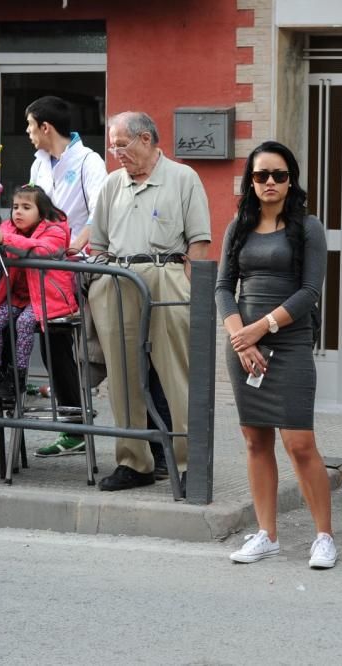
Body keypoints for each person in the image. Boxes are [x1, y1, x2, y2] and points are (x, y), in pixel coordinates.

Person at [216, 141, 335, 567]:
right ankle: (267, 534)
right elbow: (223, 287)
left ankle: (323, 535)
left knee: (299, 441)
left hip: (288, 340)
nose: (270, 182)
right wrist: (240, 339)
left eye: (279, 175)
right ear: (250, 181)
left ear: (291, 181)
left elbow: (310, 292)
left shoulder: (308, 227)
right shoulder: (239, 226)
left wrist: (261, 329)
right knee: (254, 439)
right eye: (262, 175)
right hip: (244, 344)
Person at [88, 111, 211, 491]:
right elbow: (98, 244)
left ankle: (193, 464)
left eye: (121, 145)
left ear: (146, 139)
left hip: (166, 275)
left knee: (177, 373)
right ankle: (134, 462)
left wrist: (190, 291)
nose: (116, 154)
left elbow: (200, 243)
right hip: (118, 280)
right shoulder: (112, 185)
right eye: (112, 147)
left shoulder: (182, 177)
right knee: (122, 377)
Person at [24, 95, 108, 457]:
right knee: (49, 341)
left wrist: (71, 247)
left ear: (46, 127)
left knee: (66, 343)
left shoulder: (89, 161)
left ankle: (76, 422)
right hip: (45, 269)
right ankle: (70, 417)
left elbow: (100, 214)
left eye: (30, 125)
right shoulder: (38, 164)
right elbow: (31, 214)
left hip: (76, 268)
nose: (27, 132)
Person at [0, 185, 78, 402]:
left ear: (41, 212)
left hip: (46, 299)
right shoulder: (7, 227)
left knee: (25, 323)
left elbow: (42, 250)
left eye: (26, 207)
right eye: (15, 207)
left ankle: (18, 376)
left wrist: (4, 239)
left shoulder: (56, 230)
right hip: (18, 297)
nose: (18, 212)